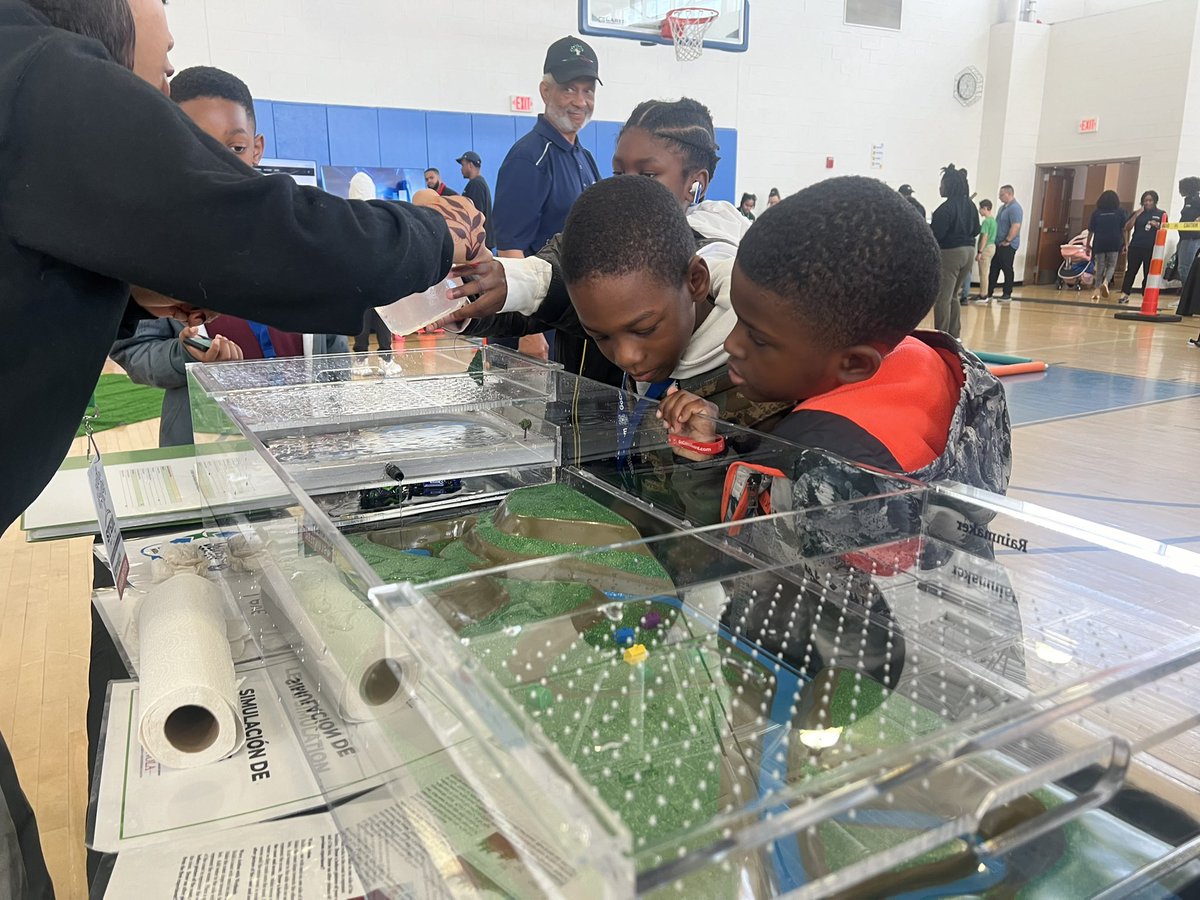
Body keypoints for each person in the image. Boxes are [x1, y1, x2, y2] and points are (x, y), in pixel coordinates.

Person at [1, 3, 485, 893]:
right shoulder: (43, 77)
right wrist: (429, 232)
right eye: (164, 52)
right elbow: (288, 242)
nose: (171, 60)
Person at [657, 174, 1010, 495]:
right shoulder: (933, 365)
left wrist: (698, 466)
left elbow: (745, 557)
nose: (732, 343)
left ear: (855, 363)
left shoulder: (816, 461)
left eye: (758, 337)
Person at [110, 65, 350, 446]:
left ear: (257, 148)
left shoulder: (301, 236)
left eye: (235, 148)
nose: (217, 165)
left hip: (306, 443)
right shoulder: (150, 247)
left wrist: (338, 419)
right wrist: (183, 354)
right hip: (210, 447)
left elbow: (332, 345)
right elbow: (133, 349)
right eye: (196, 146)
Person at [444, 97, 751, 387]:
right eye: (618, 171)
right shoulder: (603, 233)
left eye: (647, 174)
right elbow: (547, 287)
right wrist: (464, 300)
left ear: (696, 183)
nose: (625, 185)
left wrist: (521, 282)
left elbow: (558, 291)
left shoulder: (710, 252)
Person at [493, 35, 602, 360]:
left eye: (588, 90)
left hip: (572, 320)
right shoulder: (529, 158)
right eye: (569, 88)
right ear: (545, 91)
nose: (580, 101)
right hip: (539, 329)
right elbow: (510, 250)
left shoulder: (583, 156)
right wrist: (531, 331)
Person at [929, 164, 979, 339]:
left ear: (949, 185)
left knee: (942, 297)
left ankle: (941, 336)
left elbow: (935, 236)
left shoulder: (945, 209)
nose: (940, 187)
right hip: (969, 251)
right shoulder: (970, 206)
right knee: (954, 295)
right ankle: (954, 335)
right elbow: (976, 230)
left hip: (951, 253)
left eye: (942, 184)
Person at [1119, 190, 1163, 303]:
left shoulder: (1161, 214)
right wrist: (1136, 215)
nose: (1148, 203)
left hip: (1151, 247)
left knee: (1148, 272)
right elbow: (1126, 228)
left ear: (1155, 201)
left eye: (1150, 200)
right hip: (1136, 245)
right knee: (1131, 271)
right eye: (1145, 201)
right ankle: (1125, 294)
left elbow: (1164, 229)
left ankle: (1146, 295)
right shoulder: (1137, 213)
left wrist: (1157, 225)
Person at [1085, 190, 1125, 301]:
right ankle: (1106, 282)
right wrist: (1126, 243)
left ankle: (1096, 290)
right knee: (1111, 265)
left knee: (1100, 266)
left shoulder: (1097, 212)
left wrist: (1088, 244)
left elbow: (1091, 230)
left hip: (1100, 242)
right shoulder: (1120, 212)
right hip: (1114, 241)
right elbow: (1123, 230)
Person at [986, 184, 1023, 301]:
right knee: (994, 268)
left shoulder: (1015, 208)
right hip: (998, 243)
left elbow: (1016, 225)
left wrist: (1008, 240)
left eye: (1002, 195)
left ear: (1009, 194)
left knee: (1007, 268)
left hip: (1008, 244)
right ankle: (988, 292)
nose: (1000, 197)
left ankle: (1007, 293)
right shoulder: (1003, 208)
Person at [457, 150, 494, 248]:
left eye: (463, 165)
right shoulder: (479, 183)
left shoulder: (475, 184)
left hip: (480, 244)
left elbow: (475, 215)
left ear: (470, 165)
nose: (461, 169)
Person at [1176, 177, 1200, 287]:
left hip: (1192, 237)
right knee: (1182, 267)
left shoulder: (1197, 200)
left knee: (1185, 267)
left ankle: (1187, 295)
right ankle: (1186, 295)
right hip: (1183, 237)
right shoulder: (1188, 200)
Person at [972, 199, 996, 303]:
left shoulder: (986, 222)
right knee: (985, 271)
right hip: (992, 247)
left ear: (985, 208)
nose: (979, 211)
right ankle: (983, 293)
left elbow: (984, 237)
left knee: (983, 273)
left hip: (986, 248)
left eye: (980, 208)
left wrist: (980, 252)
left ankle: (983, 295)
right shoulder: (993, 221)